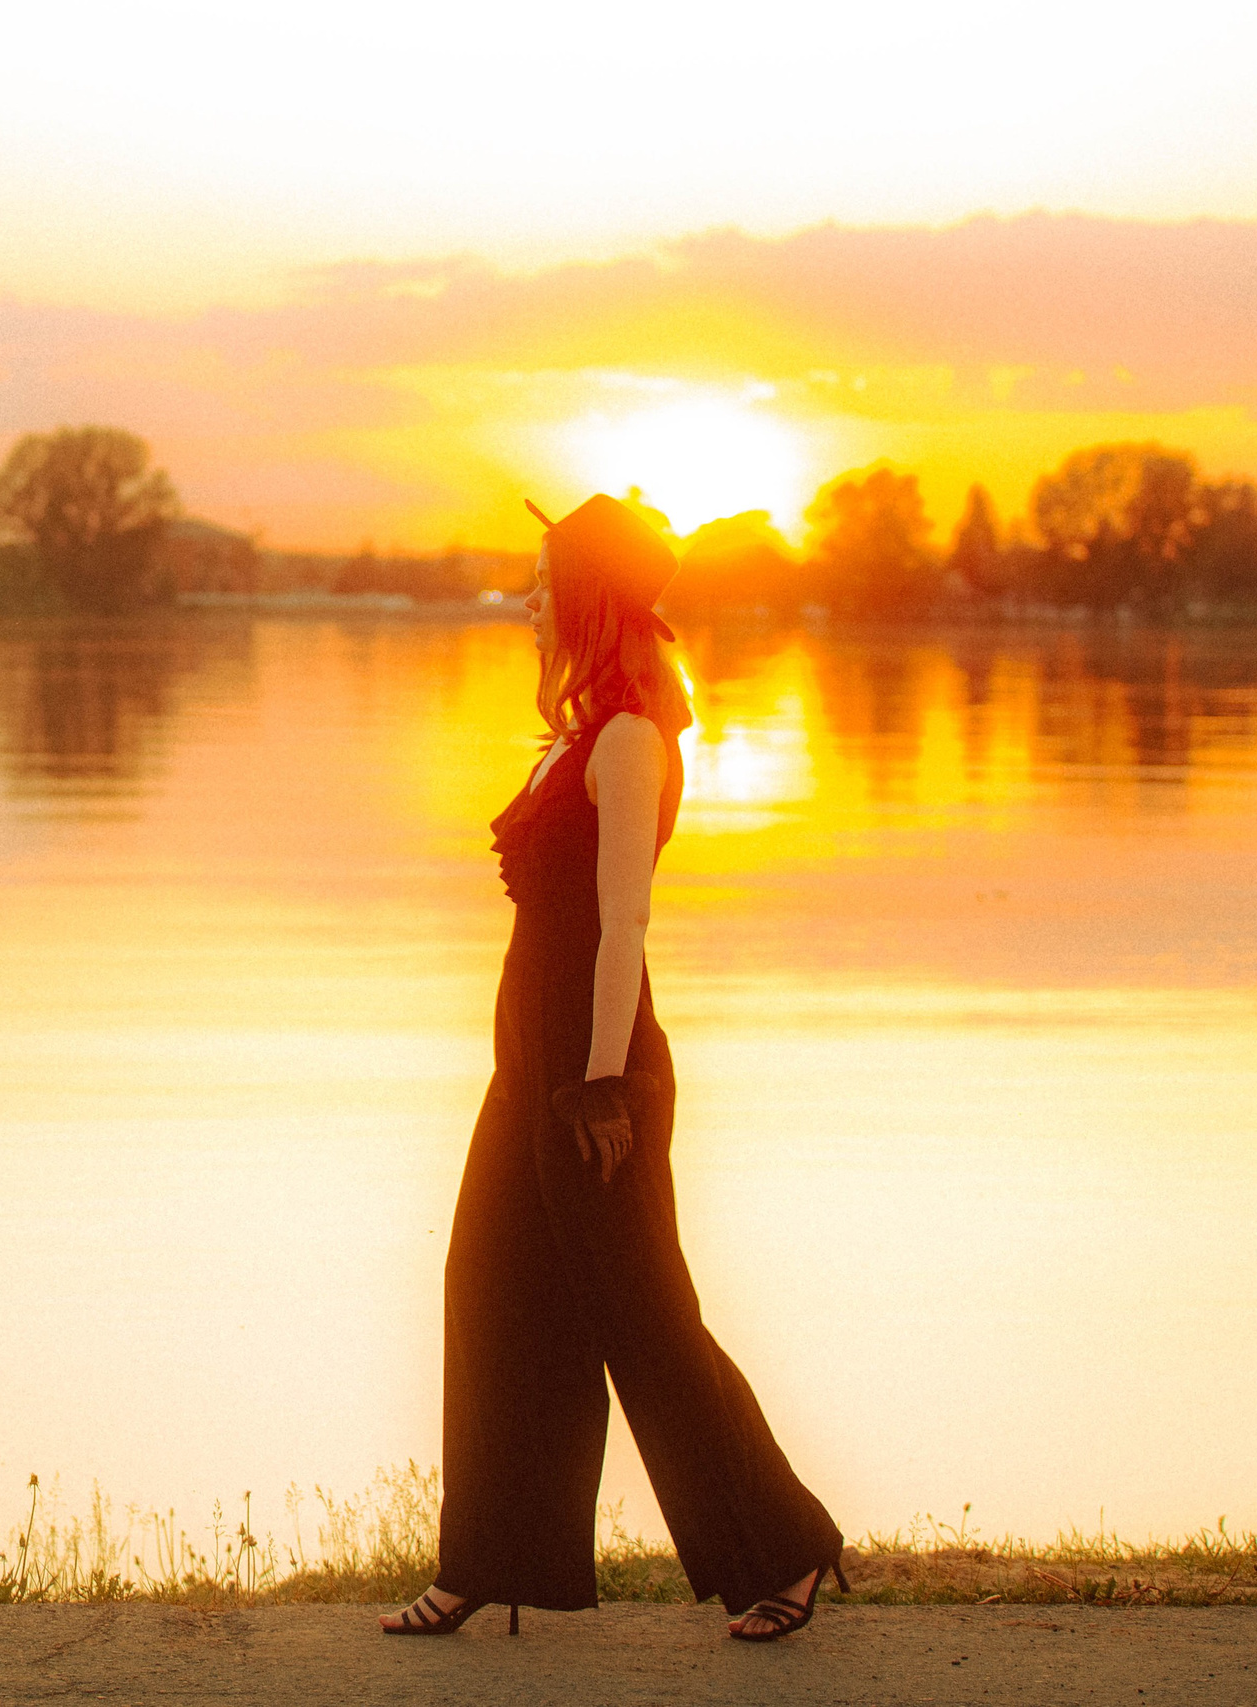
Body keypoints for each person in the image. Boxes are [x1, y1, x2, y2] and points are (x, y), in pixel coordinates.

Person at [378, 493, 846, 1644]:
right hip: (526, 1062)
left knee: (643, 1316)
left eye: (542, 582)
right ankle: (487, 1559)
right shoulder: (574, 734)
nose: (527, 602)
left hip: (598, 1073)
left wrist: (595, 1090)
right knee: (491, 1290)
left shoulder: (632, 738)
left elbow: (622, 925)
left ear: (583, 594)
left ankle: (786, 1551)